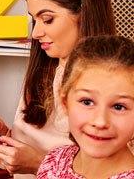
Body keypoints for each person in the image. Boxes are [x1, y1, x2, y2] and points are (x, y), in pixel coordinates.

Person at [0, 0, 120, 177]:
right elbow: (37, 147)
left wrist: (39, 164)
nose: (36, 32)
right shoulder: (48, 69)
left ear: (84, 14)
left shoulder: (118, 84)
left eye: (47, 19)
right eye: (34, 19)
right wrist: (2, 137)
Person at [37, 35, 134, 178]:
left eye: (119, 107)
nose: (100, 122)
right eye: (87, 102)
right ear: (65, 102)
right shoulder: (54, 162)